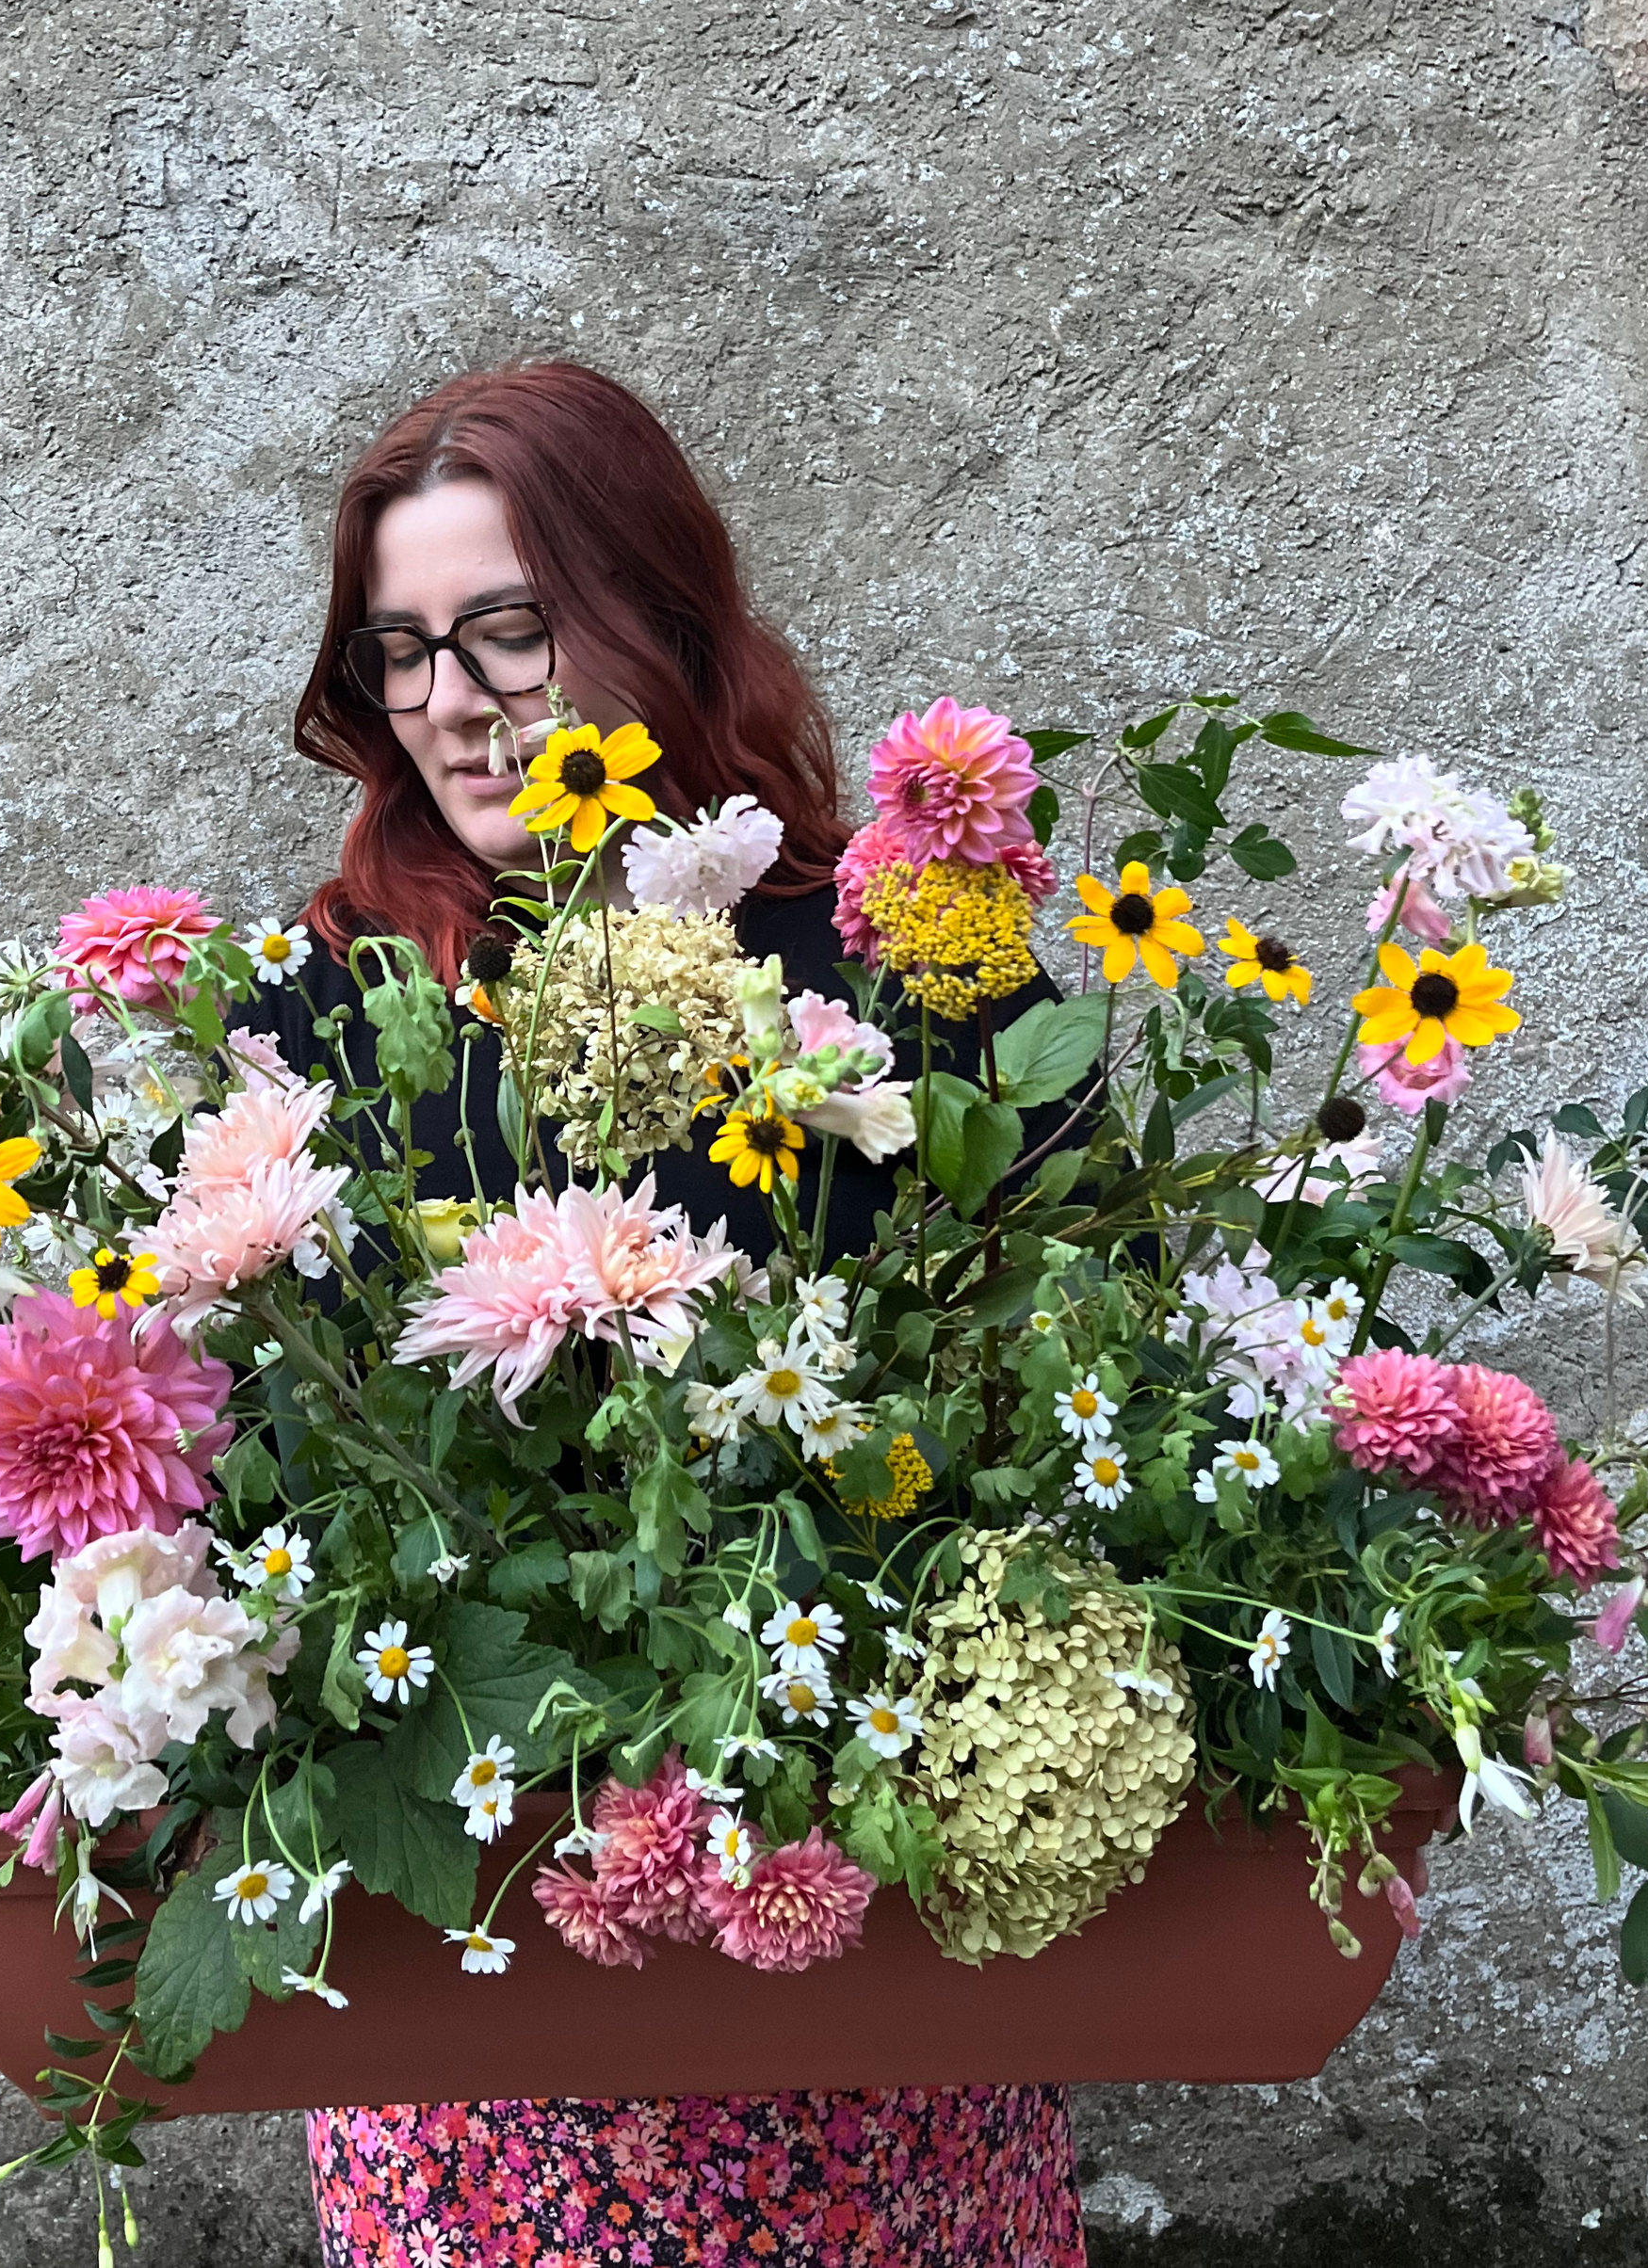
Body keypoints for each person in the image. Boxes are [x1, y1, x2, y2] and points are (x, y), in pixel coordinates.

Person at [241, 361, 1090, 2268]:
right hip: (492, 2009)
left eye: (505, 632)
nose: (450, 702)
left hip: (860, 1997)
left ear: (641, 608)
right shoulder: (330, 1020)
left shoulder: (888, 970)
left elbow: (1056, 1383)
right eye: (397, 650)